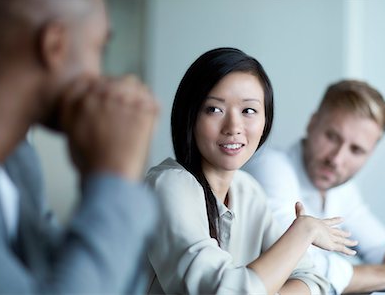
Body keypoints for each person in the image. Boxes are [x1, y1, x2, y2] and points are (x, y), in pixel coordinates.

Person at [144, 48, 358, 295]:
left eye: (248, 111)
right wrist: (303, 232)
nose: (234, 127)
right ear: (189, 116)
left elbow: (314, 281)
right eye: (214, 109)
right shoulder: (170, 184)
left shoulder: (248, 190)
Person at [0, 0, 159, 293]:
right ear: (55, 44)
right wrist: (116, 178)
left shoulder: (19, 165)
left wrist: (102, 178)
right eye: (99, 48)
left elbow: (71, 280)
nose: (102, 75)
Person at [243, 79, 385, 294]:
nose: (336, 159)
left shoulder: (342, 189)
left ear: (370, 154)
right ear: (312, 123)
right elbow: (294, 261)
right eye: (332, 137)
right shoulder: (270, 166)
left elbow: (381, 250)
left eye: (356, 150)